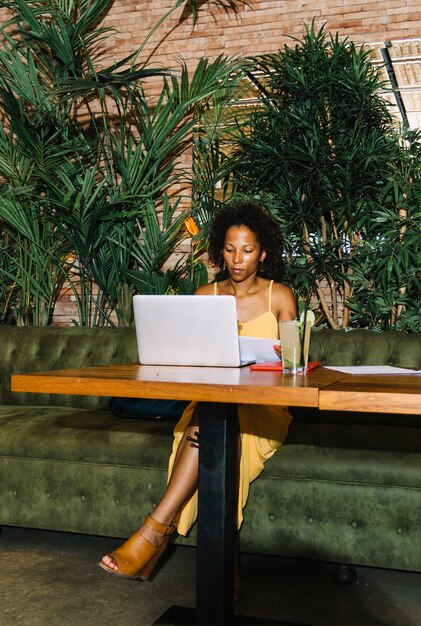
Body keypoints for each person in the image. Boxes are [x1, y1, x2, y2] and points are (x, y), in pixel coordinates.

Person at [98, 202, 297, 583]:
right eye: (229, 249)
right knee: (211, 428)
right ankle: (220, 569)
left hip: (265, 409)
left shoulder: (280, 297)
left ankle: (153, 534)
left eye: (248, 250)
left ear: (264, 253)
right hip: (212, 402)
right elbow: (189, 361)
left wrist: (275, 360)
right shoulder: (205, 294)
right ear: (219, 251)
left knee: (212, 430)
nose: (237, 259)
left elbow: (293, 367)